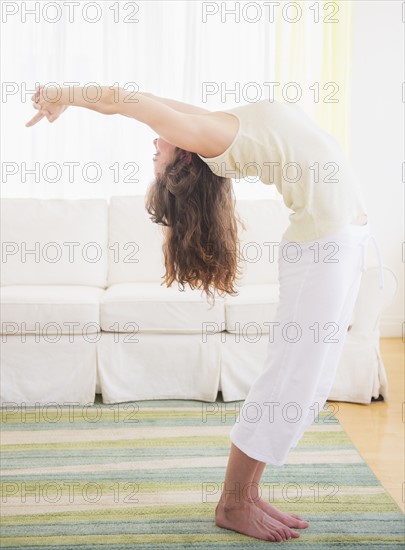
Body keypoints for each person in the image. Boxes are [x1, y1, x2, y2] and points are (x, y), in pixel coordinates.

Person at [26, 85, 383, 543]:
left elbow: (142, 98)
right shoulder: (206, 136)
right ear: (186, 157)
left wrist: (67, 95)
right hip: (323, 250)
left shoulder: (214, 126)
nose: (155, 143)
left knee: (308, 380)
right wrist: (64, 95)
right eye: (158, 155)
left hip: (337, 244)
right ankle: (233, 503)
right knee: (291, 379)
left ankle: (247, 495)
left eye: (157, 149)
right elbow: (125, 104)